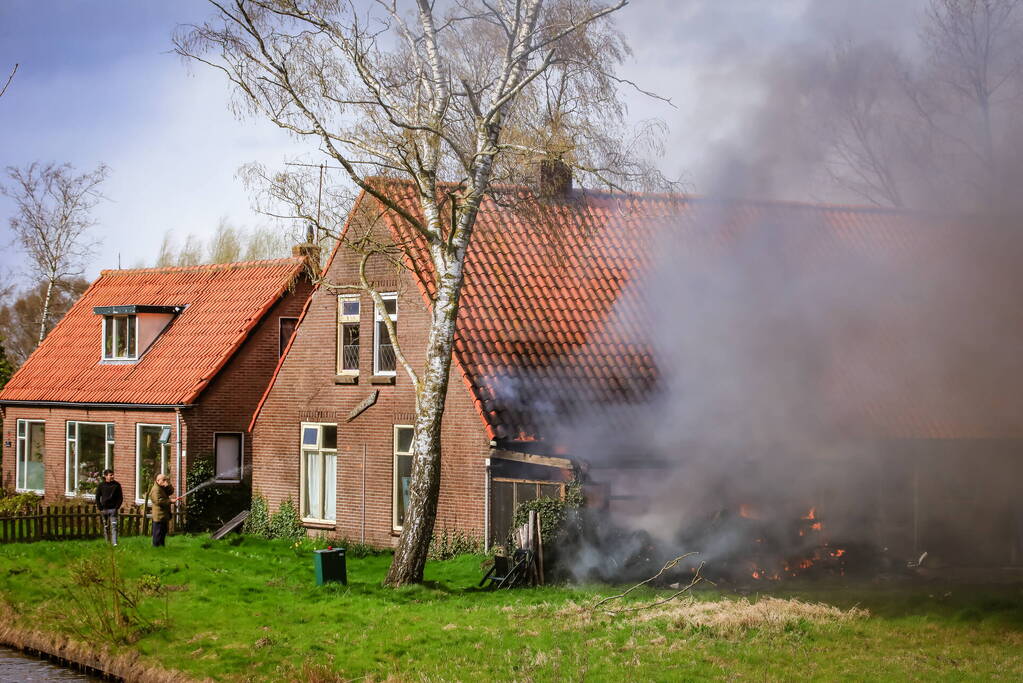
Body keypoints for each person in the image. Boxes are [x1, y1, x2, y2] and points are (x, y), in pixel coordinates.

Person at [95, 469, 123, 546]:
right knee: (106, 526)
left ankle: (115, 543)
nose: (112, 476)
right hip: (104, 509)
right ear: (105, 476)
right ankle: (107, 542)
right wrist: (100, 507)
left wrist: (117, 507)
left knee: (114, 526)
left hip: (113, 509)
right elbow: (97, 497)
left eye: (112, 475)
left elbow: (120, 497)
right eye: (110, 475)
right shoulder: (101, 485)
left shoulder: (117, 485)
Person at [148, 473, 177, 547]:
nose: (165, 481)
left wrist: (168, 485)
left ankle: (161, 547)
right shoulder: (155, 489)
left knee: (163, 532)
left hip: (164, 515)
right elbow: (158, 501)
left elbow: (170, 492)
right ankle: (156, 547)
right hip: (159, 516)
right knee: (158, 533)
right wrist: (170, 501)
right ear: (158, 481)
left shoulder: (162, 487)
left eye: (166, 479)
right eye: (163, 480)